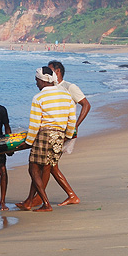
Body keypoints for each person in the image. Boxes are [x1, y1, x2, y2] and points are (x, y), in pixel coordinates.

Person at [16, 66, 76, 212]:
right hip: (59, 136)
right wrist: (67, 136)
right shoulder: (66, 95)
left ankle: (46, 204)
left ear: (43, 81)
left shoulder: (39, 97)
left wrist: (28, 142)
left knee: (33, 169)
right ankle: (29, 201)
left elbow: (35, 124)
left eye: (37, 80)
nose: (36, 83)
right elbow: (72, 120)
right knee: (44, 168)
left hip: (45, 135)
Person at [45, 60, 91, 206]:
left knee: (49, 164)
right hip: (53, 131)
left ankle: (69, 196)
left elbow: (86, 104)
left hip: (64, 132)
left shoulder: (69, 87)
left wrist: (75, 126)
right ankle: (68, 195)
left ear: (57, 71)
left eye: (50, 70)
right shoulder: (50, 88)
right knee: (49, 164)